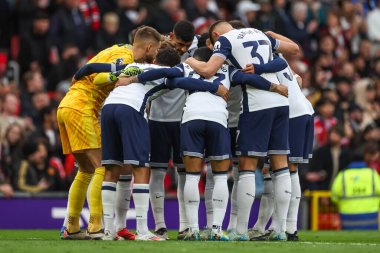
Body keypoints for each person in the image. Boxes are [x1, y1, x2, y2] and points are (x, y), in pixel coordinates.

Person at [123, 46, 288, 241]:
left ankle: (192, 229)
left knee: (191, 177)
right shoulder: (228, 70)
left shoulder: (186, 67)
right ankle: (217, 229)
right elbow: (249, 79)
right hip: (218, 119)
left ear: (197, 59)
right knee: (219, 177)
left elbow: (165, 73)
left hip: (192, 118)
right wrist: (275, 87)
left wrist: (134, 78)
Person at [95, 45, 228, 240]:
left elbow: (97, 73)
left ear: (155, 58)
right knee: (141, 168)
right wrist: (215, 87)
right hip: (132, 110)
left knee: (111, 169)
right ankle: (142, 230)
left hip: (108, 108)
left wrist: (90, 74)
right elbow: (186, 82)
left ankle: (109, 230)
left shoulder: (134, 65)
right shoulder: (164, 75)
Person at [185, 21, 300, 241]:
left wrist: (189, 59)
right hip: (281, 103)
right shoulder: (258, 33)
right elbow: (291, 52)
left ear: (217, 35)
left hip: (256, 104)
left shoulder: (226, 41)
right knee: (280, 164)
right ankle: (280, 229)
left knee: (247, 166)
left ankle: (240, 230)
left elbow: (208, 70)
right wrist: (265, 72)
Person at [57, 26, 159, 240]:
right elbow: (98, 78)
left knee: (85, 171)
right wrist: (115, 77)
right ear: (149, 47)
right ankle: (95, 226)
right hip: (82, 107)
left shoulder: (119, 48)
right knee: (102, 167)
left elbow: (92, 68)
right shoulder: (126, 57)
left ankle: (71, 227)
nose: (155, 57)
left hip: (67, 105)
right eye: (156, 52)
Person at [248, 53, 315, 241]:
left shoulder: (257, 60)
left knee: (287, 169)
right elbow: (297, 78)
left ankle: (286, 228)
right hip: (300, 111)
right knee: (278, 170)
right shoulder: (273, 55)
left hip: (291, 114)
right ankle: (274, 226)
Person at [331, 142, 380, 230]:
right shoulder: (372, 174)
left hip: (347, 220)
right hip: (371, 220)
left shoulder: (342, 175)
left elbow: (334, 195)